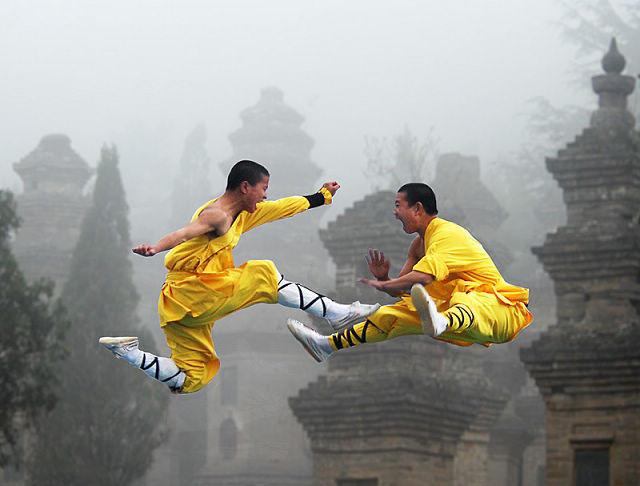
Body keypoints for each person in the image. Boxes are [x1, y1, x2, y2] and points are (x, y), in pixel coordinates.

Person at [99, 160, 380, 393]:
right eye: (263, 188)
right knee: (263, 274)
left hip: (178, 306)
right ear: (246, 187)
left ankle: (128, 352)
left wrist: (321, 196)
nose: (265, 195)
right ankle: (335, 313)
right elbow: (185, 233)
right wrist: (155, 247)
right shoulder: (217, 215)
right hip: (193, 292)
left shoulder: (242, 214)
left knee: (193, 377)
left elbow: (280, 208)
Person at [286, 182, 532, 362]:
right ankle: (327, 345)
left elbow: (424, 277)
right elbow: (405, 290)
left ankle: (441, 320)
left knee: (468, 298)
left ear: (417, 209)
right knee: (393, 315)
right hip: (455, 313)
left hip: (501, 312)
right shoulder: (418, 245)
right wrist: (385, 279)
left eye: (398, 205)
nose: (394, 212)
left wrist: (384, 285)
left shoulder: (447, 234)